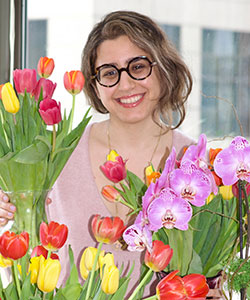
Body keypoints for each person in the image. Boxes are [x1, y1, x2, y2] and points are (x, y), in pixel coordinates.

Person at [0, 10, 220, 298]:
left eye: (138, 66)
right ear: (95, 86)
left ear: (164, 68)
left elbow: (213, 276)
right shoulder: (57, 154)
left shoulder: (196, 165)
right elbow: (26, 256)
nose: (125, 84)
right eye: (109, 73)